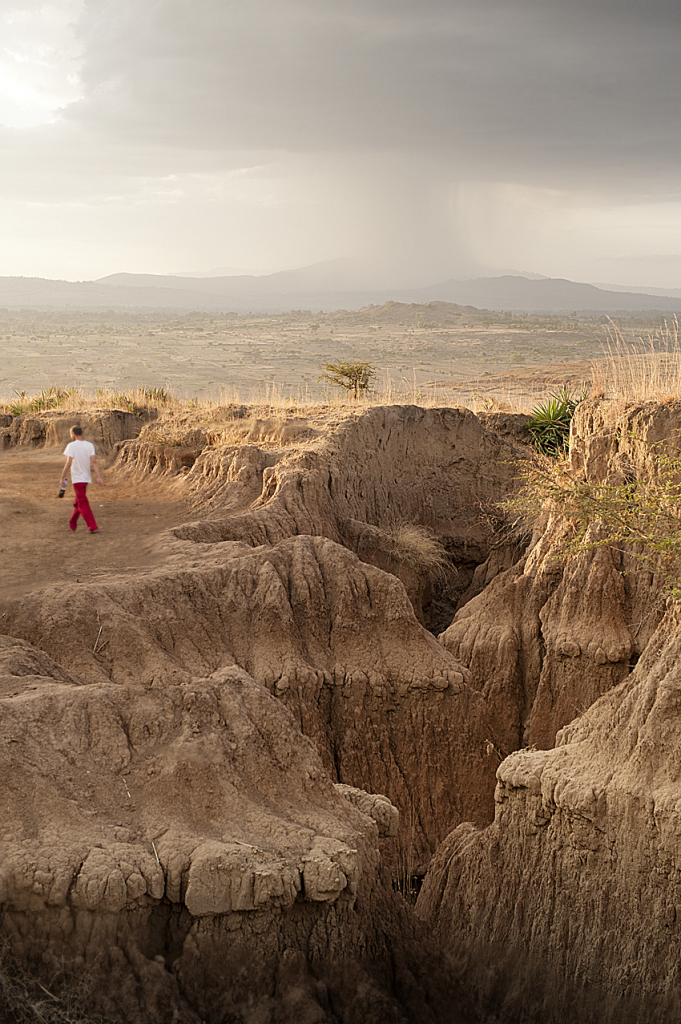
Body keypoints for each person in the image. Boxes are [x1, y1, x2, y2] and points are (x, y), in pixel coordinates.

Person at [60, 425, 103, 533]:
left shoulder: (71, 446)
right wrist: (98, 477)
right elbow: (94, 461)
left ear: (73, 434)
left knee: (82, 503)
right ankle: (72, 522)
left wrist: (62, 477)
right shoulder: (90, 445)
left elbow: (69, 463)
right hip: (86, 478)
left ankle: (92, 526)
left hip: (77, 479)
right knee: (79, 501)